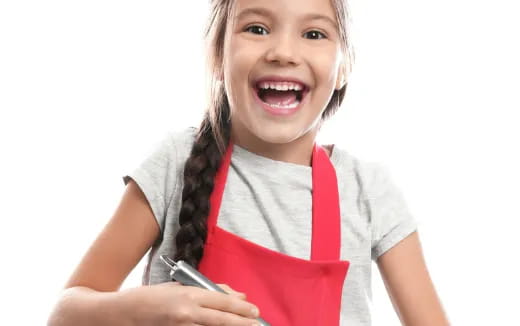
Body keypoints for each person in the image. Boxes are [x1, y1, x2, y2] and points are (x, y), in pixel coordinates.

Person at [48, 0, 450, 325]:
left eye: (314, 33)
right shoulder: (175, 165)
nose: (283, 53)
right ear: (217, 55)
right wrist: (143, 311)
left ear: (344, 67)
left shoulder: (367, 192)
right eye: (256, 28)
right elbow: (65, 314)